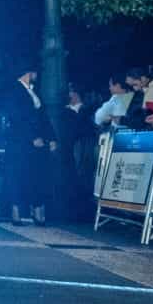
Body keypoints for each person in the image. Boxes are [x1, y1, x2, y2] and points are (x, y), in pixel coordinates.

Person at [3, 64, 56, 225]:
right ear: (29, 72)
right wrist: (32, 137)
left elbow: (43, 117)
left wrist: (51, 137)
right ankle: (16, 213)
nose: (37, 75)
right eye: (35, 72)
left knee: (37, 175)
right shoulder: (14, 90)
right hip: (19, 143)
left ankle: (37, 210)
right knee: (17, 176)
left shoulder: (34, 91)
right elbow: (17, 118)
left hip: (36, 142)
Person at [57, 86, 100, 217]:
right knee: (71, 177)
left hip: (84, 147)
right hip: (69, 149)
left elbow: (91, 129)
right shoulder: (64, 112)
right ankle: (72, 209)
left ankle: (84, 209)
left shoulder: (87, 111)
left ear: (76, 94)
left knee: (84, 176)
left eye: (71, 91)